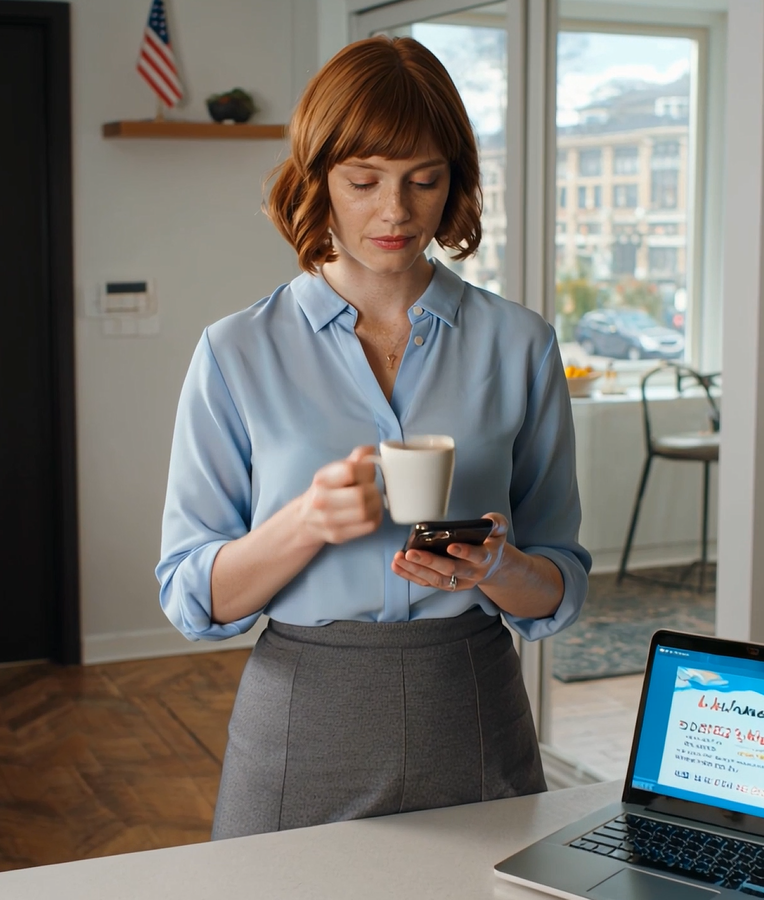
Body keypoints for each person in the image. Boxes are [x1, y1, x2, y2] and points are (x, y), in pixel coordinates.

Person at [156, 35, 591, 840]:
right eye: (363, 180)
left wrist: (502, 568)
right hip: (301, 716)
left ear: (453, 182)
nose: (395, 211)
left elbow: (559, 588)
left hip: (471, 705)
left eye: (423, 180)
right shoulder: (235, 351)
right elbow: (191, 597)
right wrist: (303, 524)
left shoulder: (519, 345)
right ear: (317, 179)